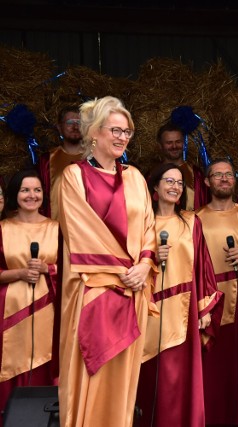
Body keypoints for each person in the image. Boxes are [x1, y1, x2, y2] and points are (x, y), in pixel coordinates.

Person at [57, 96, 158, 427]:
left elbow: (148, 228)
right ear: (94, 133)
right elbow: (79, 233)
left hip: (132, 290)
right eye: (115, 130)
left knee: (124, 382)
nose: (122, 137)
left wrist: (144, 265)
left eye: (127, 131)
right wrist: (123, 272)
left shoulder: (136, 178)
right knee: (90, 374)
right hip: (93, 290)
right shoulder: (73, 177)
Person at [136, 163, 224, 427]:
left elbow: (203, 265)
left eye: (178, 183)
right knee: (150, 376)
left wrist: (204, 307)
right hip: (147, 309)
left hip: (183, 312)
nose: (174, 187)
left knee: (178, 380)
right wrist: (151, 258)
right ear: (154, 188)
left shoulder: (190, 221)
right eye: (168, 181)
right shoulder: (141, 223)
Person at [196, 158, 238, 427]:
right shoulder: (194, 218)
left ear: (235, 180)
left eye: (228, 174)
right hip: (208, 303)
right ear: (207, 181)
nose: (224, 179)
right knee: (211, 372)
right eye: (217, 175)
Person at [0, 169, 58, 420]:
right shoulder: (2, 227)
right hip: (8, 313)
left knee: (45, 369)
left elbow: (72, 269)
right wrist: (20, 273)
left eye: (37, 190)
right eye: (25, 190)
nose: (32, 195)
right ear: (15, 194)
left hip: (49, 311)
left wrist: (49, 269)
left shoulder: (57, 228)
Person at [38, 105, 84, 219]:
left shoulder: (95, 157)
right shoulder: (47, 159)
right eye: (69, 122)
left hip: (86, 229)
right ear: (59, 127)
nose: (75, 126)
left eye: (79, 122)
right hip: (55, 227)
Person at [155, 122, 209, 211]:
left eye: (178, 142)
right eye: (169, 143)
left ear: (183, 143)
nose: (174, 146)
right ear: (160, 146)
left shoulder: (196, 174)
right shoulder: (152, 174)